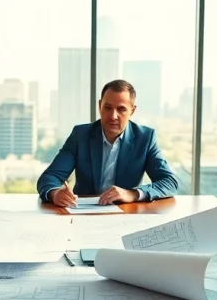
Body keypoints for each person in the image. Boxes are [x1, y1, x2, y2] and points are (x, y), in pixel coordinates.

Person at [37, 79, 179, 206]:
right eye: (108, 108)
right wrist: (55, 194)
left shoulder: (145, 138)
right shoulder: (80, 135)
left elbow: (169, 182)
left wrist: (132, 194)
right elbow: (49, 177)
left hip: (127, 215)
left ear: (132, 111)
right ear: (100, 106)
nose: (113, 116)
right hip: (83, 215)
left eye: (121, 109)